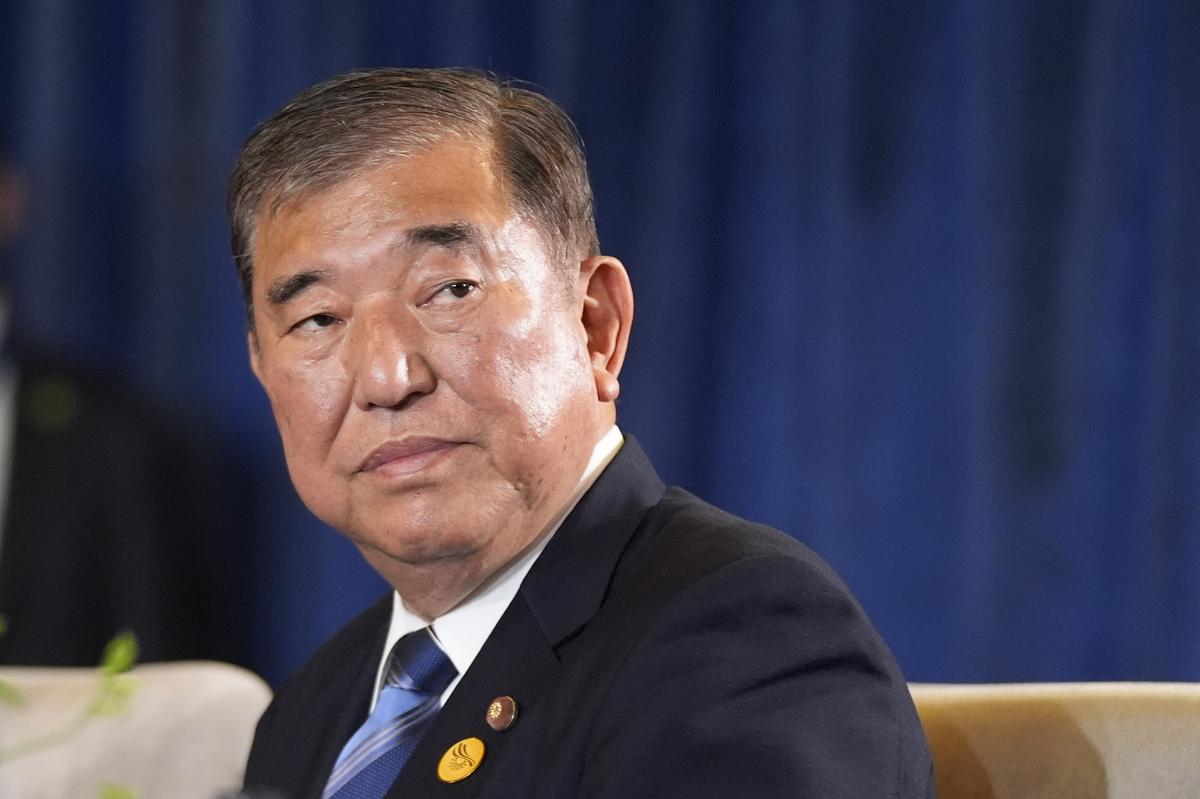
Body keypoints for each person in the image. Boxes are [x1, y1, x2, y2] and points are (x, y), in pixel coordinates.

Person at [230, 68, 933, 799]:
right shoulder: (308, 715)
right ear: (261, 366)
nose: (387, 377)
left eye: (449, 289)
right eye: (317, 320)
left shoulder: (744, 637)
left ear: (596, 325)